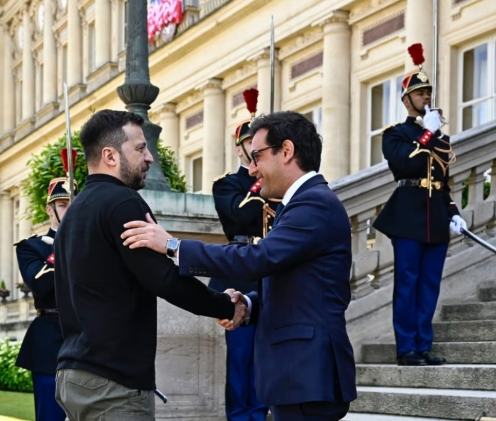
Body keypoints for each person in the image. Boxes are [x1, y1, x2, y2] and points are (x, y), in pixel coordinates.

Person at [121, 111, 357, 421]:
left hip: (308, 373)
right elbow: (299, 287)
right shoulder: (303, 203)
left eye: (257, 156)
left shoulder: (314, 203)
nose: (253, 169)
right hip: (299, 374)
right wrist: (248, 304)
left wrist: (173, 246)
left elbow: (256, 259)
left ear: (286, 151)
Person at [53, 110, 246, 421]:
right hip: (112, 383)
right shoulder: (123, 202)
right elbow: (165, 279)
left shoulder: (73, 214)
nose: (150, 158)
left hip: (74, 377)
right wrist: (226, 306)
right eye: (140, 148)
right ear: (110, 156)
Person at [372, 43, 468, 367]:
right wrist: (426, 135)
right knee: (407, 283)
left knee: (429, 285)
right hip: (408, 214)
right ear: (406, 100)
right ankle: (407, 348)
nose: (426, 97)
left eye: (428, 92)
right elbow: (406, 163)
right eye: (419, 93)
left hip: (435, 216)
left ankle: (423, 345)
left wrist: (453, 213)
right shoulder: (395, 134)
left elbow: (443, 182)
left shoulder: (440, 138)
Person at [210, 88, 272, 421]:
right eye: (251, 143)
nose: (257, 148)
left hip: (272, 269)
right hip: (242, 270)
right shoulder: (227, 185)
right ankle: (240, 417)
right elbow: (239, 215)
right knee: (241, 356)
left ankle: (260, 414)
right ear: (239, 148)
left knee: (264, 356)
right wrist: (260, 180)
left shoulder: (276, 183)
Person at [14, 169, 78, 421]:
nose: (69, 210)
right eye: (63, 205)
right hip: (50, 339)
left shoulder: (91, 244)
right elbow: (40, 284)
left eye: (73, 205)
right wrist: (64, 245)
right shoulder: (32, 247)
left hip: (88, 336)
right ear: (49, 210)